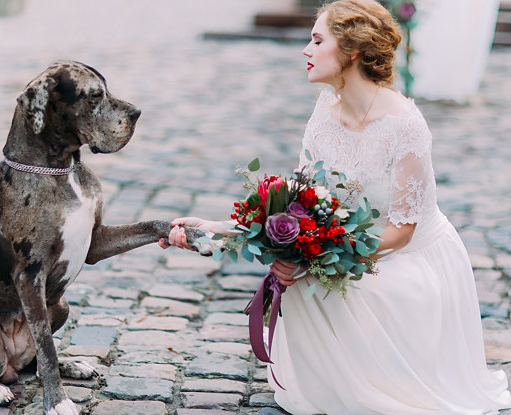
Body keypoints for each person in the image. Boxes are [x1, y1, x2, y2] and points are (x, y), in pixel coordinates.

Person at [158, 0, 511, 413]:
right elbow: (302, 197)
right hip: (353, 242)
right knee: (299, 277)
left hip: (409, 259)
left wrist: (317, 259)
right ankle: (335, 383)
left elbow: (402, 230)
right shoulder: (325, 109)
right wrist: (217, 229)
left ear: (352, 50)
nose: (306, 50)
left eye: (317, 39)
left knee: (312, 279)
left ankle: (375, 385)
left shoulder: (405, 125)